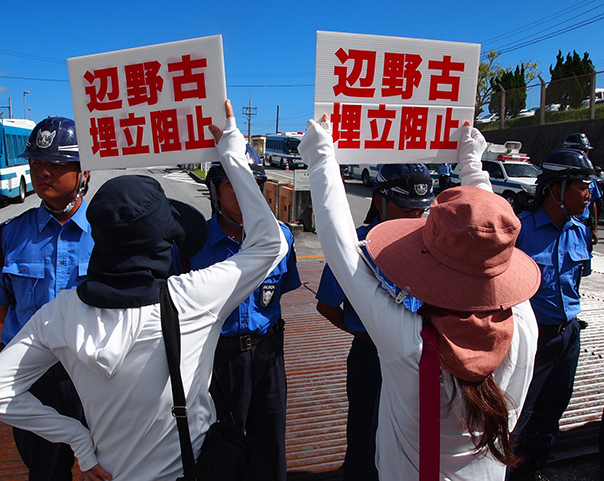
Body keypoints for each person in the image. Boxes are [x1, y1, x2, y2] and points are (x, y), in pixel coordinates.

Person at [0, 100, 288, 481]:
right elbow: (271, 244)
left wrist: (78, 439)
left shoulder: (58, 313)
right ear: (162, 242)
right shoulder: (192, 296)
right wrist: (234, 155)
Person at [299, 116, 541, 481]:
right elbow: (491, 239)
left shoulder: (409, 344)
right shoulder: (524, 326)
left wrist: (320, 157)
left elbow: (341, 251)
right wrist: (473, 166)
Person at [0, 116, 92, 481]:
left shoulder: (109, 235)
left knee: (106, 468)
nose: (44, 173)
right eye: (37, 163)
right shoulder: (7, 236)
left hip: (92, 379)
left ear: (83, 171)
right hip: (33, 380)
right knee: (44, 471)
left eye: (56, 164)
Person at [176, 146, 301, 481]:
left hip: (267, 354)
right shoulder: (191, 242)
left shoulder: (281, 237)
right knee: (219, 446)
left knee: (272, 441)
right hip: (215, 359)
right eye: (232, 183)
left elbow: (282, 289)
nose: (245, 192)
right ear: (215, 190)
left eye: (252, 183)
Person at [315, 163, 434, 481]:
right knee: (364, 435)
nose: (416, 218)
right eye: (407, 208)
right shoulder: (354, 248)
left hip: (420, 355)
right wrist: (372, 332)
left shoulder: (431, 245)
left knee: (414, 431)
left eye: (421, 210)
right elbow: (326, 305)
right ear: (380, 201)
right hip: (371, 356)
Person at [507, 148, 599, 481]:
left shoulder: (580, 231)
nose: (589, 193)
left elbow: (576, 280)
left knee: (553, 407)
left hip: (568, 336)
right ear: (557, 189)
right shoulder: (521, 231)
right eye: (582, 185)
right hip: (533, 339)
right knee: (520, 411)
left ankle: (533, 468)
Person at [564, 133, 600, 246]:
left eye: (586, 151)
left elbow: (592, 203)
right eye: (580, 151)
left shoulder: (589, 177)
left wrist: (594, 228)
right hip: (564, 225)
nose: (584, 155)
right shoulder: (559, 176)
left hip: (583, 226)